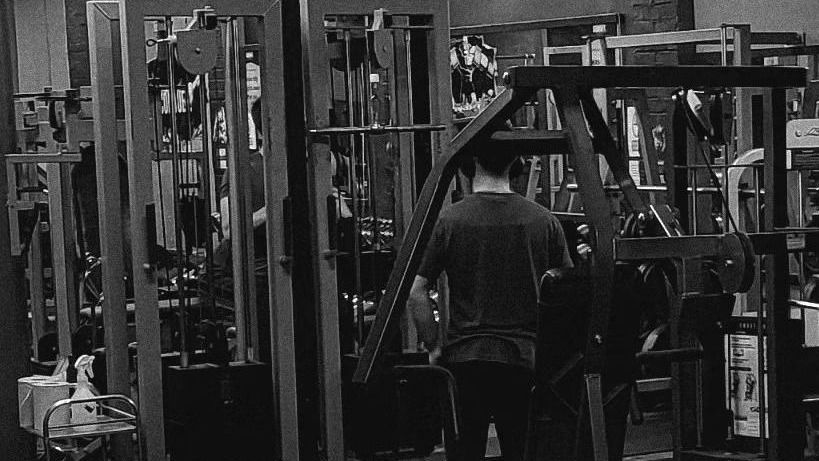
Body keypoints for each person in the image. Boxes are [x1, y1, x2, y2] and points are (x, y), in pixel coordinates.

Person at [409, 142, 574, 461]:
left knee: (466, 451)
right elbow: (566, 293)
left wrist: (433, 346)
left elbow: (417, 292)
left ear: (469, 163)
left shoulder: (450, 220)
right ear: (516, 161)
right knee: (521, 451)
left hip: (467, 359)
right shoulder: (544, 220)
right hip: (524, 360)